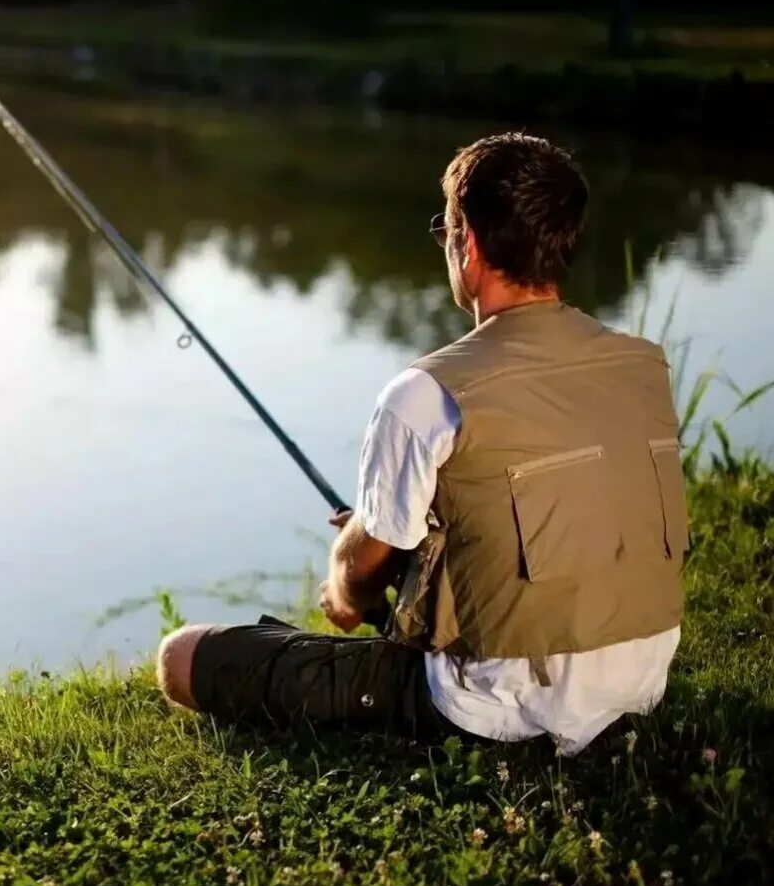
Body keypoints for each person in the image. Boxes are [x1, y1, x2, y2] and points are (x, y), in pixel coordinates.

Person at [156, 132, 689, 756]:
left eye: (447, 231)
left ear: (470, 245)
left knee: (182, 658)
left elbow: (363, 566)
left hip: (499, 709)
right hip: (641, 682)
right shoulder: (641, 365)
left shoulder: (426, 393)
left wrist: (343, 585)